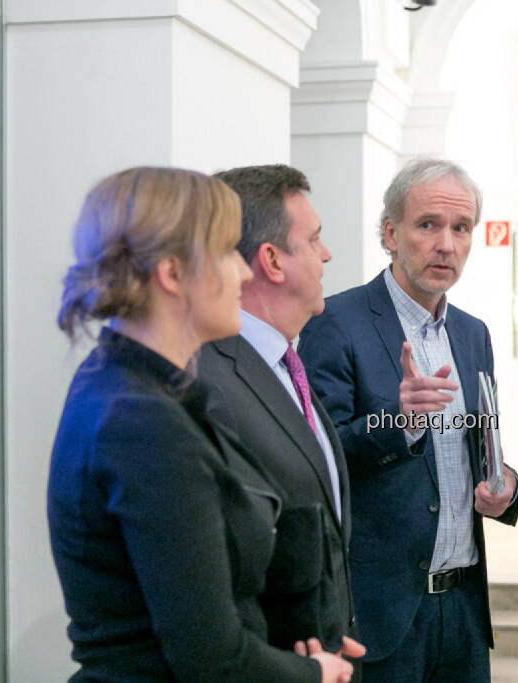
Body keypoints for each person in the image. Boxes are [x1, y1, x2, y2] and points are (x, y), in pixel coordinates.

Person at [47, 167, 354, 682]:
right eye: (225, 253)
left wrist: (297, 643)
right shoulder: (142, 419)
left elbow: (209, 590)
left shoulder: (143, 385)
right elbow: (212, 657)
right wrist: (314, 674)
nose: (242, 273)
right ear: (172, 273)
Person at [298, 157, 518, 683]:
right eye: (428, 225)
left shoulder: (473, 333)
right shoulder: (336, 322)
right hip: (381, 615)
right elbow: (317, 456)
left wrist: (506, 485)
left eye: (461, 228)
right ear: (391, 233)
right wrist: (397, 424)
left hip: (464, 608)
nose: (446, 244)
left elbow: (481, 447)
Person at [198, 164, 364, 672]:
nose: (326, 254)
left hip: (324, 654)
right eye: (313, 240)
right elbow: (217, 564)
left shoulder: (287, 362)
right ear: (271, 260)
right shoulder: (208, 379)